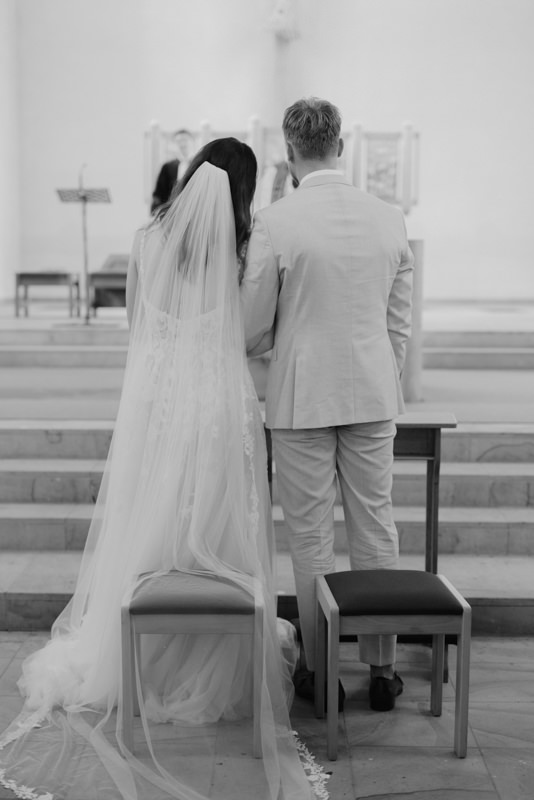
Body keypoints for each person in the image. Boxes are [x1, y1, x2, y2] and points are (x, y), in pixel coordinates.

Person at [0, 138, 324, 800]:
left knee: (153, 518)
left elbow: (138, 328)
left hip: (159, 396)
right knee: (218, 527)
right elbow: (251, 330)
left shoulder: (147, 239)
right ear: (241, 190)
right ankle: (211, 654)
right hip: (220, 398)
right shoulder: (245, 247)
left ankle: (139, 655)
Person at [240, 98, 414, 713]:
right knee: (376, 526)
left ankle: (321, 671)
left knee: (310, 537)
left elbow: (252, 326)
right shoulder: (388, 217)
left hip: (301, 398)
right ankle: (383, 669)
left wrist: (280, 340)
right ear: (341, 146)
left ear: (289, 153)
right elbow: (398, 323)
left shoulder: (275, 222)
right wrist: (379, 376)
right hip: (372, 393)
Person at [150, 128, 196, 214]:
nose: (182, 144)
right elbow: (159, 193)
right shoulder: (167, 167)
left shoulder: (199, 164)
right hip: (171, 212)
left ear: (193, 142)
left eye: (185, 140)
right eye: (178, 141)